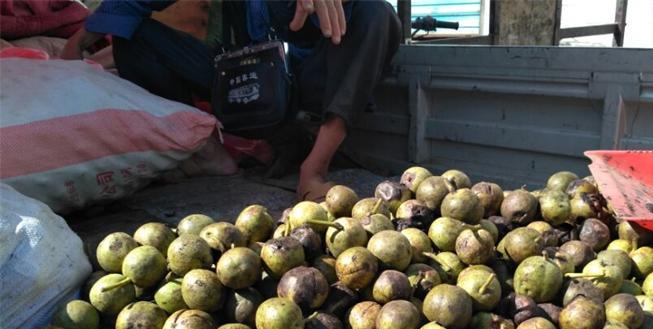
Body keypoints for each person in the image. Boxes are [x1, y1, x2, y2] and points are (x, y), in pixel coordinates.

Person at [63, 0, 402, 201]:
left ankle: (314, 165)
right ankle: (201, 151)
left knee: (378, 11)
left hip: (301, 88)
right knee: (133, 38)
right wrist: (79, 40)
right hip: (237, 81)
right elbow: (133, 3)